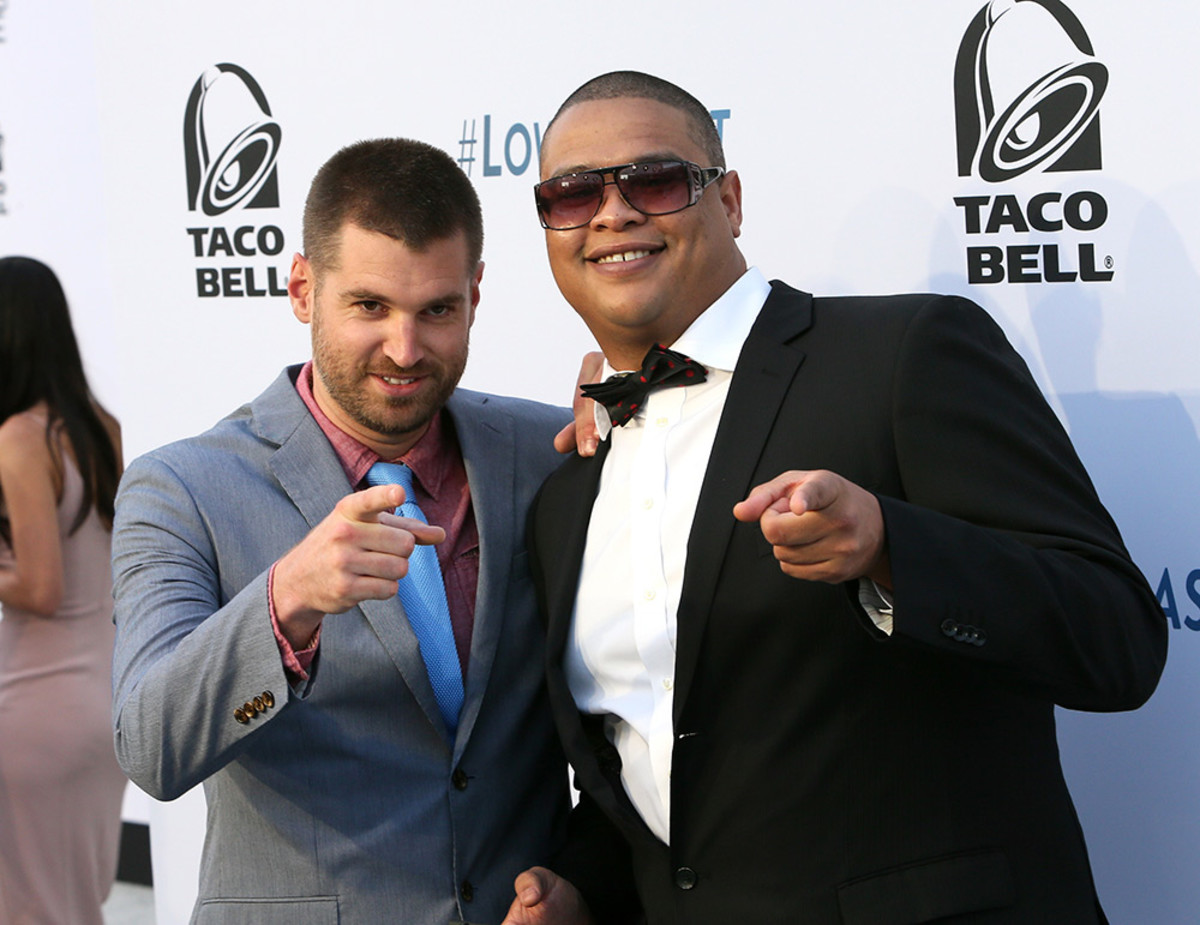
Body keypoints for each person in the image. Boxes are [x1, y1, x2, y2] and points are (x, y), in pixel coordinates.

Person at [504, 72, 1168, 925]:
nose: (612, 214)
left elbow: (1117, 639)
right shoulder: (567, 495)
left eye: (654, 181)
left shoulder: (901, 354)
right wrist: (582, 887)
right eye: (572, 195)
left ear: (729, 200)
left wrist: (892, 548)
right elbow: (664, 769)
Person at [111, 138, 572, 924]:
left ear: (475, 294)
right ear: (302, 288)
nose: (404, 349)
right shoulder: (182, 487)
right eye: (369, 307)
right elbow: (152, 747)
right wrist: (286, 600)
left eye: (437, 310)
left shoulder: (547, 451)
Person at [0, 256, 127, 924]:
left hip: (34, 704)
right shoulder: (100, 425)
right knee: (73, 900)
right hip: (106, 696)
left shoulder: (19, 438)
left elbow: (40, 587)